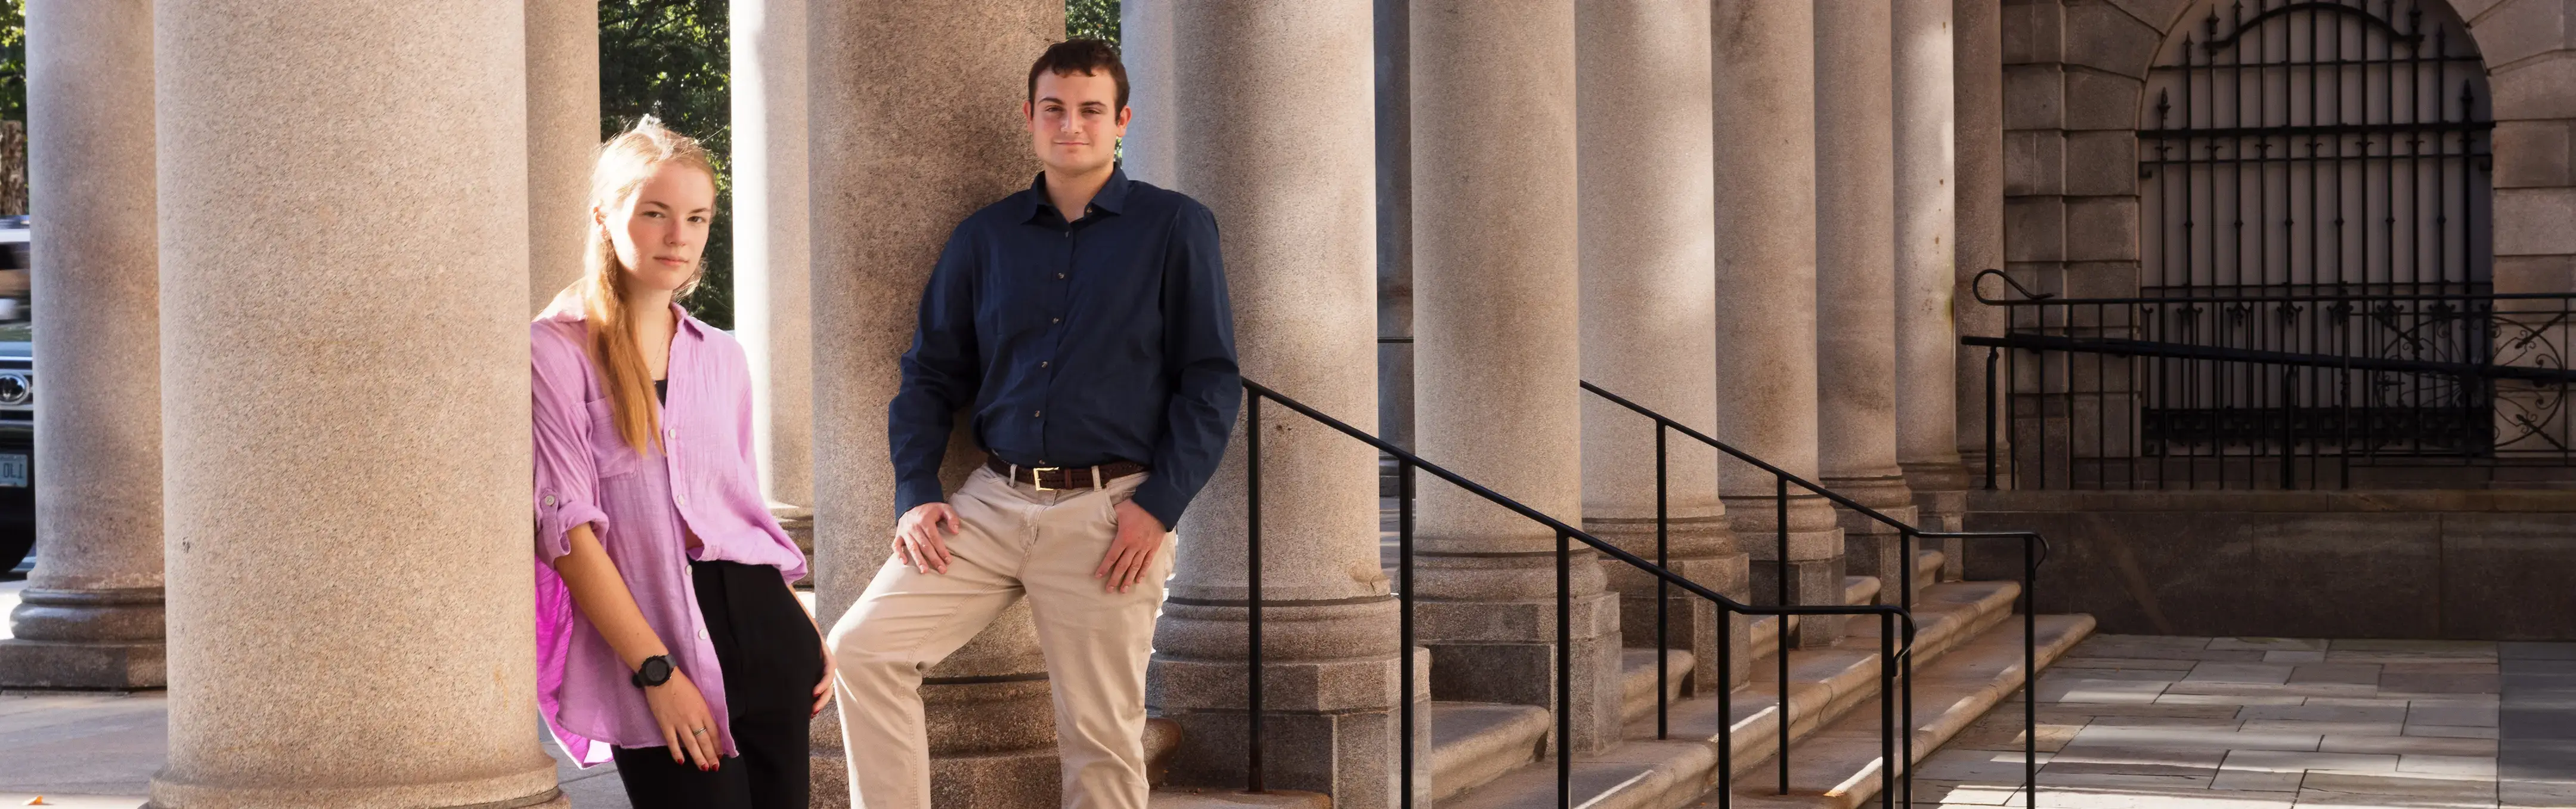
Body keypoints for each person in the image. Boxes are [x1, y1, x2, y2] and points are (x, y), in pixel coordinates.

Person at [826, 39, 1241, 809]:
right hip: (990, 502)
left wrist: (1157, 507)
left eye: (1090, 110)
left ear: (1121, 121)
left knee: (1100, 737)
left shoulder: (1175, 228)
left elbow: (1211, 381)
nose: (1071, 125)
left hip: (1110, 512)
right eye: (1054, 108)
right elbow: (928, 375)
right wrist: (917, 488)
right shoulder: (984, 238)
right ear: (1030, 117)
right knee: (862, 649)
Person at [531, 118, 833, 809]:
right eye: (656, 214)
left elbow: (742, 510)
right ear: (606, 217)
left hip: (769, 636)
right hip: (658, 641)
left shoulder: (721, 355)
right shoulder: (555, 352)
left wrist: (798, 619)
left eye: (697, 218)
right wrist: (657, 673)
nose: (679, 236)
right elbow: (569, 537)